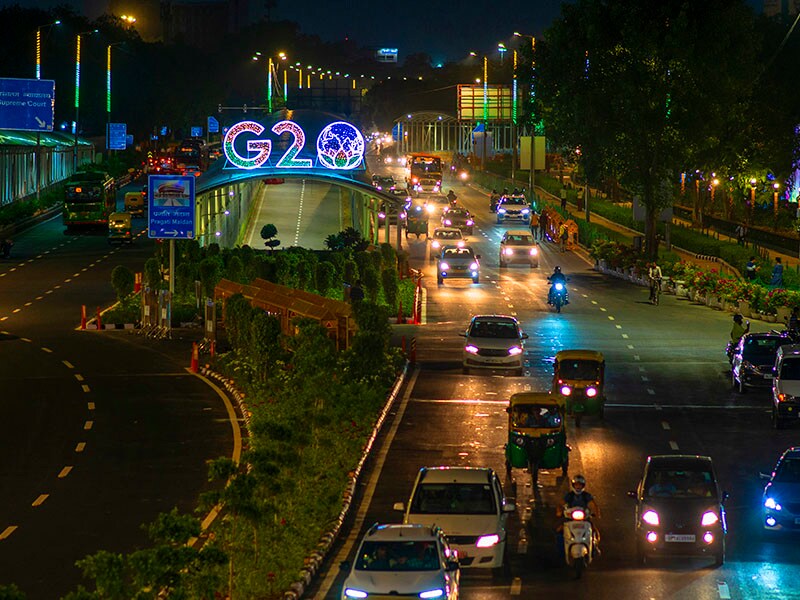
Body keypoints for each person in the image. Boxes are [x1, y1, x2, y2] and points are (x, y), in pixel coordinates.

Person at [556, 474, 601, 554]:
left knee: (594, 531)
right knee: (559, 531)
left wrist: (596, 513)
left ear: (583, 486)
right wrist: (559, 512)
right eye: (576, 485)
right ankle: (560, 551)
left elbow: (593, 505)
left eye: (580, 485)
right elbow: (560, 504)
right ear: (573, 485)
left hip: (584, 518)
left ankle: (595, 547)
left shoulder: (586, 496)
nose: (578, 487)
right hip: (570, 518)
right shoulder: (569, 495)